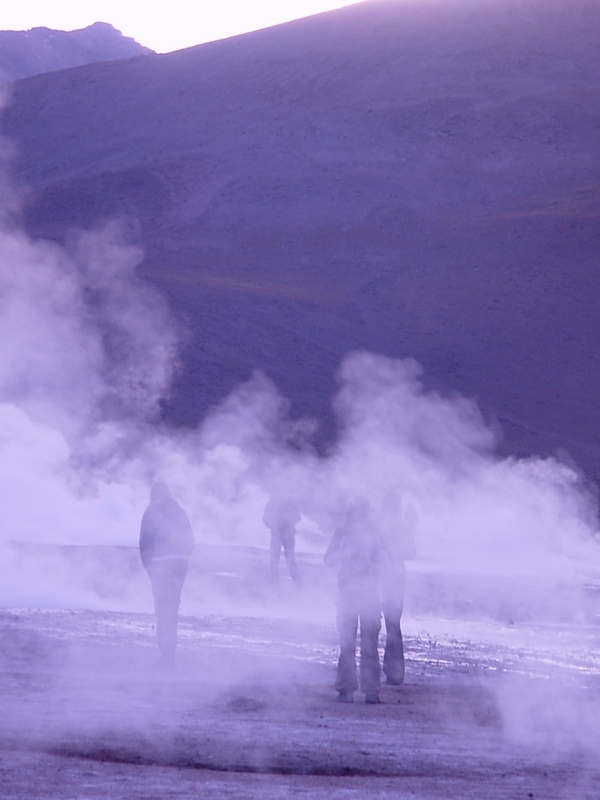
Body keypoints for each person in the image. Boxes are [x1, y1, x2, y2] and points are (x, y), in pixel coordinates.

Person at [324, 497, 381, 704]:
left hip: (354, 595)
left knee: (350, 643)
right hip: (365, 596)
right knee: (366, 644)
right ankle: (370, 691)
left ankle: (349, 689)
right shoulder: (371, 535)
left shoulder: (346, 534)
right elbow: (382, 568)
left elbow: (327, 561)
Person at [139, 482, 194, 663]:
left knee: (162, 608)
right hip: (180, 563)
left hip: (160, 564)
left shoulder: (150, 514)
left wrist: (148, 565)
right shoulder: (181, 513)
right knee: (173, 606)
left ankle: (165, 652)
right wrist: (183, 556)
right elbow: (190, 540)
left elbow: (145, 543)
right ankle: (172, 650)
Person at [378, 492, 417, 686]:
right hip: (395, 576)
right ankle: (394, 671)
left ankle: (390, 670)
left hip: (382, 577)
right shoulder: (401, 527)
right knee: (393, 624)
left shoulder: (378, 525)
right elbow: (411, 552)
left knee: (381, 623)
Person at [262, 495, 301, 582]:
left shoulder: (287, 502)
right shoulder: (276, 502)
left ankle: (295, 582)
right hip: (280, 534)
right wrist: (273, 525)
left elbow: (298, 517)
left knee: (284, 559)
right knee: (278, 559)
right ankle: (295, 582)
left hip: (284, 534)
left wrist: (283, 523)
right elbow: (265, 518)